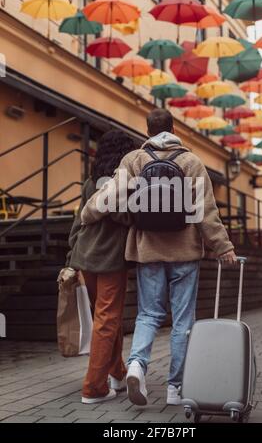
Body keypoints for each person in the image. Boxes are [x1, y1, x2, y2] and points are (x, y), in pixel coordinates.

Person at [81, 109, 236, 407]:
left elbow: (108, 195)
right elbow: (206, 211)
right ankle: (175, 388)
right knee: (182, 321)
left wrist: (87, 215)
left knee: (148, 315)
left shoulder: (135, 160)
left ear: (148, 131)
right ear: (173, 128)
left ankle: (137, 365)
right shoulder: (190, 161)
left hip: (148, 251)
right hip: (185, 252)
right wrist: (223, 246)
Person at [66, 130, 135, 404]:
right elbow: (127, 217)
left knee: (106, 318)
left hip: (85, 257)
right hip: (110, 259)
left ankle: (117, 373)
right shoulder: (125, 183)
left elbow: (77, 223)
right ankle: (94, 387)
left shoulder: (90, 182)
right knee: (106, 320)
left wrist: (72, 255)